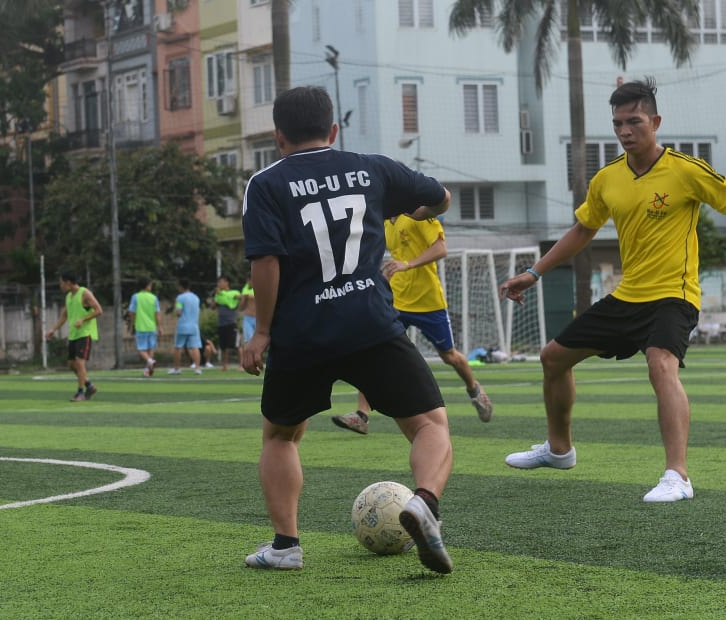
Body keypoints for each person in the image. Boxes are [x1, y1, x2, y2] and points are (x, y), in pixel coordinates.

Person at [241, 85, 455, 573]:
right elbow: (440, 198)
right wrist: (415, 211)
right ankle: (423, 502)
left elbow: (266, 262)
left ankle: (286, 546)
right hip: (371, 323)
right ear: (333, 130)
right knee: (428, 424)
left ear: (278, 136)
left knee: (280, 436)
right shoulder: (372, 167)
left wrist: (261, 332)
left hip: (302, 333)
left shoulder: (266, 184)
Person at [499, 77, 726, 503]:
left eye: (634, 121)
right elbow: (584, 228)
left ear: (655, 121)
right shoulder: (607, 179)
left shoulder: (686, 170)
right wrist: (534, 272)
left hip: (673, 295)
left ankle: (678, 476)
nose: (624, 131)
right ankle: (559, 449)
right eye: (618, 123)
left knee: (661, 364)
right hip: (627, 296)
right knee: (552, 358)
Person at [332, 214, 493, 434]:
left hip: (428, 302)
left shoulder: (419, 216)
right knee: (373, 352)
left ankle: (475, 390)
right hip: (397, 301)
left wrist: (407, 265)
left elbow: (441, 249)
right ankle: (361, 416)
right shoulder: (386, 223)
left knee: (449, 356)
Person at [45, 271, 103, 402]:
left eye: (61, 283)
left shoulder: (85, 293)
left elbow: (99, 310)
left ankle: (80, 393)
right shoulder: (69, 297)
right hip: (74, 335)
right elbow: (64, 315)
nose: (60, 286)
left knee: (79, 363)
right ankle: (89, 386)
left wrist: (83, 319)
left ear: (68, 283)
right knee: (71, 364)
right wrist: (53, 330)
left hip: (85, 333)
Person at [128, 277, 162, 376]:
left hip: (141, 326)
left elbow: (132, 313)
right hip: (152, 327)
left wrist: (132, 325)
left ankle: (149, 362)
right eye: (150, 285)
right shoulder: (154, 297)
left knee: (141, 349)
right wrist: (160, 326)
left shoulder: (136, 297)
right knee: (150, 349)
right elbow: (157, 313)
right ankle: (148, 369)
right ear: (147, 285)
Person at [168, 278, 202, 375]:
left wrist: (177, 312)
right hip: (194, 326)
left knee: (178, 347)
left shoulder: (180, 298)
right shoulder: (196, 298)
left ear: (181, 286)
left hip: (183, 325)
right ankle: (197, 368)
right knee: (195, 347)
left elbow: (178, 312)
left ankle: (177, 368)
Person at [212, 275, 240, 371]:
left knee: (236, 345)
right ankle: (225, 366)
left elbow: (240, 298)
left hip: (231, 322)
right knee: (223, 346)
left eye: (221, 282)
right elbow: (213, 307)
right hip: (221, 323)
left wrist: (224, 295)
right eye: (218, 282)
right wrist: (216, 296)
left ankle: (241, 365)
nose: (219, 284)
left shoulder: (234, 292)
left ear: (227, 283)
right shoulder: (218, 294)